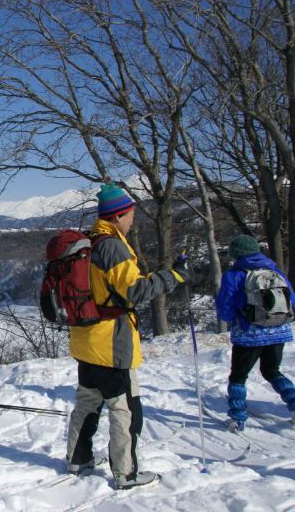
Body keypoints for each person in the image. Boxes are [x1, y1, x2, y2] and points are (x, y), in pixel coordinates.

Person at [65, 184, 189, 490]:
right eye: (130, 214)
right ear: (118, 215)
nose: (133, 220)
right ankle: (126, 473)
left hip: (86, 339)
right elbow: (135, 290)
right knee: (125, 409)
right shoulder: (112, 246)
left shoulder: (89, 242)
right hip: (111, 342)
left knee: (87, 402)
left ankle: (77, 458)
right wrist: (173, 276)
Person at [215, 234, 295, 431]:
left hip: (249, 335)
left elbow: (225, 308)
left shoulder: (234, 274)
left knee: (238, 377)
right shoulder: (275, 270)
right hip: (278, 330)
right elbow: (291, 299)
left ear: (237, 254)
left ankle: (237, 418)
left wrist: (234, 316)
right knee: (272, 370)